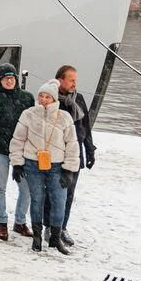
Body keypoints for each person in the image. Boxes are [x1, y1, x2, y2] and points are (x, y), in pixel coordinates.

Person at [9, 80, 80, 255]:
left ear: (54, 99)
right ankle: (37, 237)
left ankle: (55, 237)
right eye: (41, 95)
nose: (43, 99)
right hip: (33, 164)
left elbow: (72, 144)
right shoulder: (28, 114)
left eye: (48, 96)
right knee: (37, 200)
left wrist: (69, 169)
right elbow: (18, 140)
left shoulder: (64, 117)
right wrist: (17, 164)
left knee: (59, 200)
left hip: (57, 166)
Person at [43, 65, 96, 246]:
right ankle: (49, 227)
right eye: (71, 80)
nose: (75, 84)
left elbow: (85, 126)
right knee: (52, 193)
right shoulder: (51, 98)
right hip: (56, 153)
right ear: (60, 80)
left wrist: (90, 150)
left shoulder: (78, 99)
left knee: (69, 193)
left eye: (76, 80)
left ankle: (62, 227)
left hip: (75, 153)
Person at [0, 63, 34, 241]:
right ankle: (2, 222)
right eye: (6, 78)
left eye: (12, 78)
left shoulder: (27, 98)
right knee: (0, 186)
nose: (9, 81)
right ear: (0, 80)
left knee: (26, 188)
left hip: (22, 150)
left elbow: (34, 124)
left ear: (16, 79)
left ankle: (20, 221)